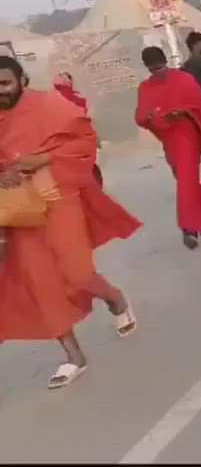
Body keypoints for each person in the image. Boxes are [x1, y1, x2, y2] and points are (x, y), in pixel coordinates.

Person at [0, 56, 140, 389]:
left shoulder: (50, 105)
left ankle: (114, 298)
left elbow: (83, 141)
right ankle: (73, 356)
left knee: (76, 272)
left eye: (5, 82)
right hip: (18, 210)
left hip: (59, 197)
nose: (0, 90)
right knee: (40, 283)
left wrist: (41, 158)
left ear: (23, 80)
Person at [136, 47, 201, 250]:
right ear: (147, 68)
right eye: (153, 69)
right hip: (170, 140)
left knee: (186, 181)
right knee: (185, 182)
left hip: (188, 133)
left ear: (165, 62)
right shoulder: (145, 88)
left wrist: (183, 112)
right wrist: (151, 118)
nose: (158, 72)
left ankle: (189, 228)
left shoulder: (183, 79)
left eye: (160, 67)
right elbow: (140, 116)